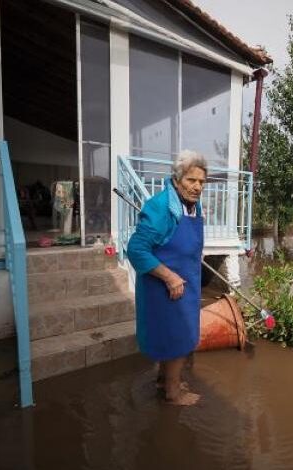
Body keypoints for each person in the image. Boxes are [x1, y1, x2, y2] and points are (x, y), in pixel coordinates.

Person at [127, 150, 206, 406]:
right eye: (191, 180)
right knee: (177, 338)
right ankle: (173, 393)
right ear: (176, 180)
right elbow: (137, 249)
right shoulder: (161, 207)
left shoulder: (192, 206)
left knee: (174, 336)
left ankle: (163, 380)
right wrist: (170, 277)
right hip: (166, 287)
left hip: (187, 283)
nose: (197, 187)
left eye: (201, 182)